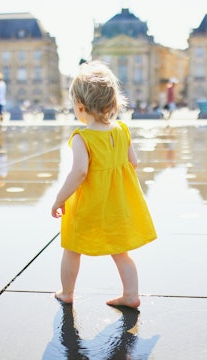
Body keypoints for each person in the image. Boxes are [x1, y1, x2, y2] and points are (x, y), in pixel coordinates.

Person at [51, 61, 157, 308]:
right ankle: (131, 294)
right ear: (113, 103)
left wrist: (59, 198)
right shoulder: (122, 130)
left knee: (72, 247)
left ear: (80, 107)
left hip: (90, 205)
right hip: (116, 205)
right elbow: (134, 162)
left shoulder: (82, 137)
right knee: (121, 251)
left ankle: (67, 292)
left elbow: (79, 172)